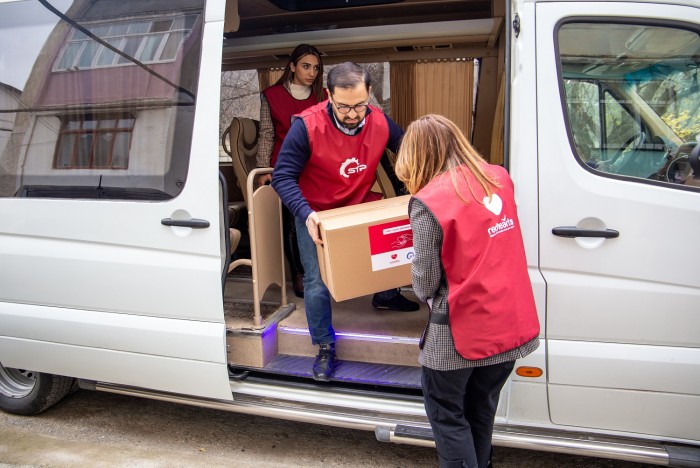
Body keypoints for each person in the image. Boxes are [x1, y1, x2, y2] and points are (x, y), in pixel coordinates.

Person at [394, 114, 540, 468]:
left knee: (447, 417)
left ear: (417, 157)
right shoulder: (499, 179)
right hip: (510, 325)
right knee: (480, 410)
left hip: (459, 333)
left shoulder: (428, 202)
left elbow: (425, 282)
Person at [271, 62, 419, 382]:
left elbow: (409, 150)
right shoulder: (306, 126)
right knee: (316, 281)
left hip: (357, 204)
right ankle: (324, 345)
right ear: (328, 96)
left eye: (360, 106)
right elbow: (282, 177)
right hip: (315, 212)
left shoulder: (378, 121)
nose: (353, 115)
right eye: (344, 107)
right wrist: (306, 213)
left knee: (391, 248)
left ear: (369, 96)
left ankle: (386, 295)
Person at [256, 44, 326, 298]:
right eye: (306, 66)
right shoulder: (271, 95)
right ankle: (300, 273)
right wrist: (264, 168)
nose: (312, 73)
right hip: (283, 168)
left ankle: (324, 271)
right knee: (292, 224)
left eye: (316, 68)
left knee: (320, 218)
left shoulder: (324, 95)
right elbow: (266, 133)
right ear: (292, 66)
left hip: (317, 168)